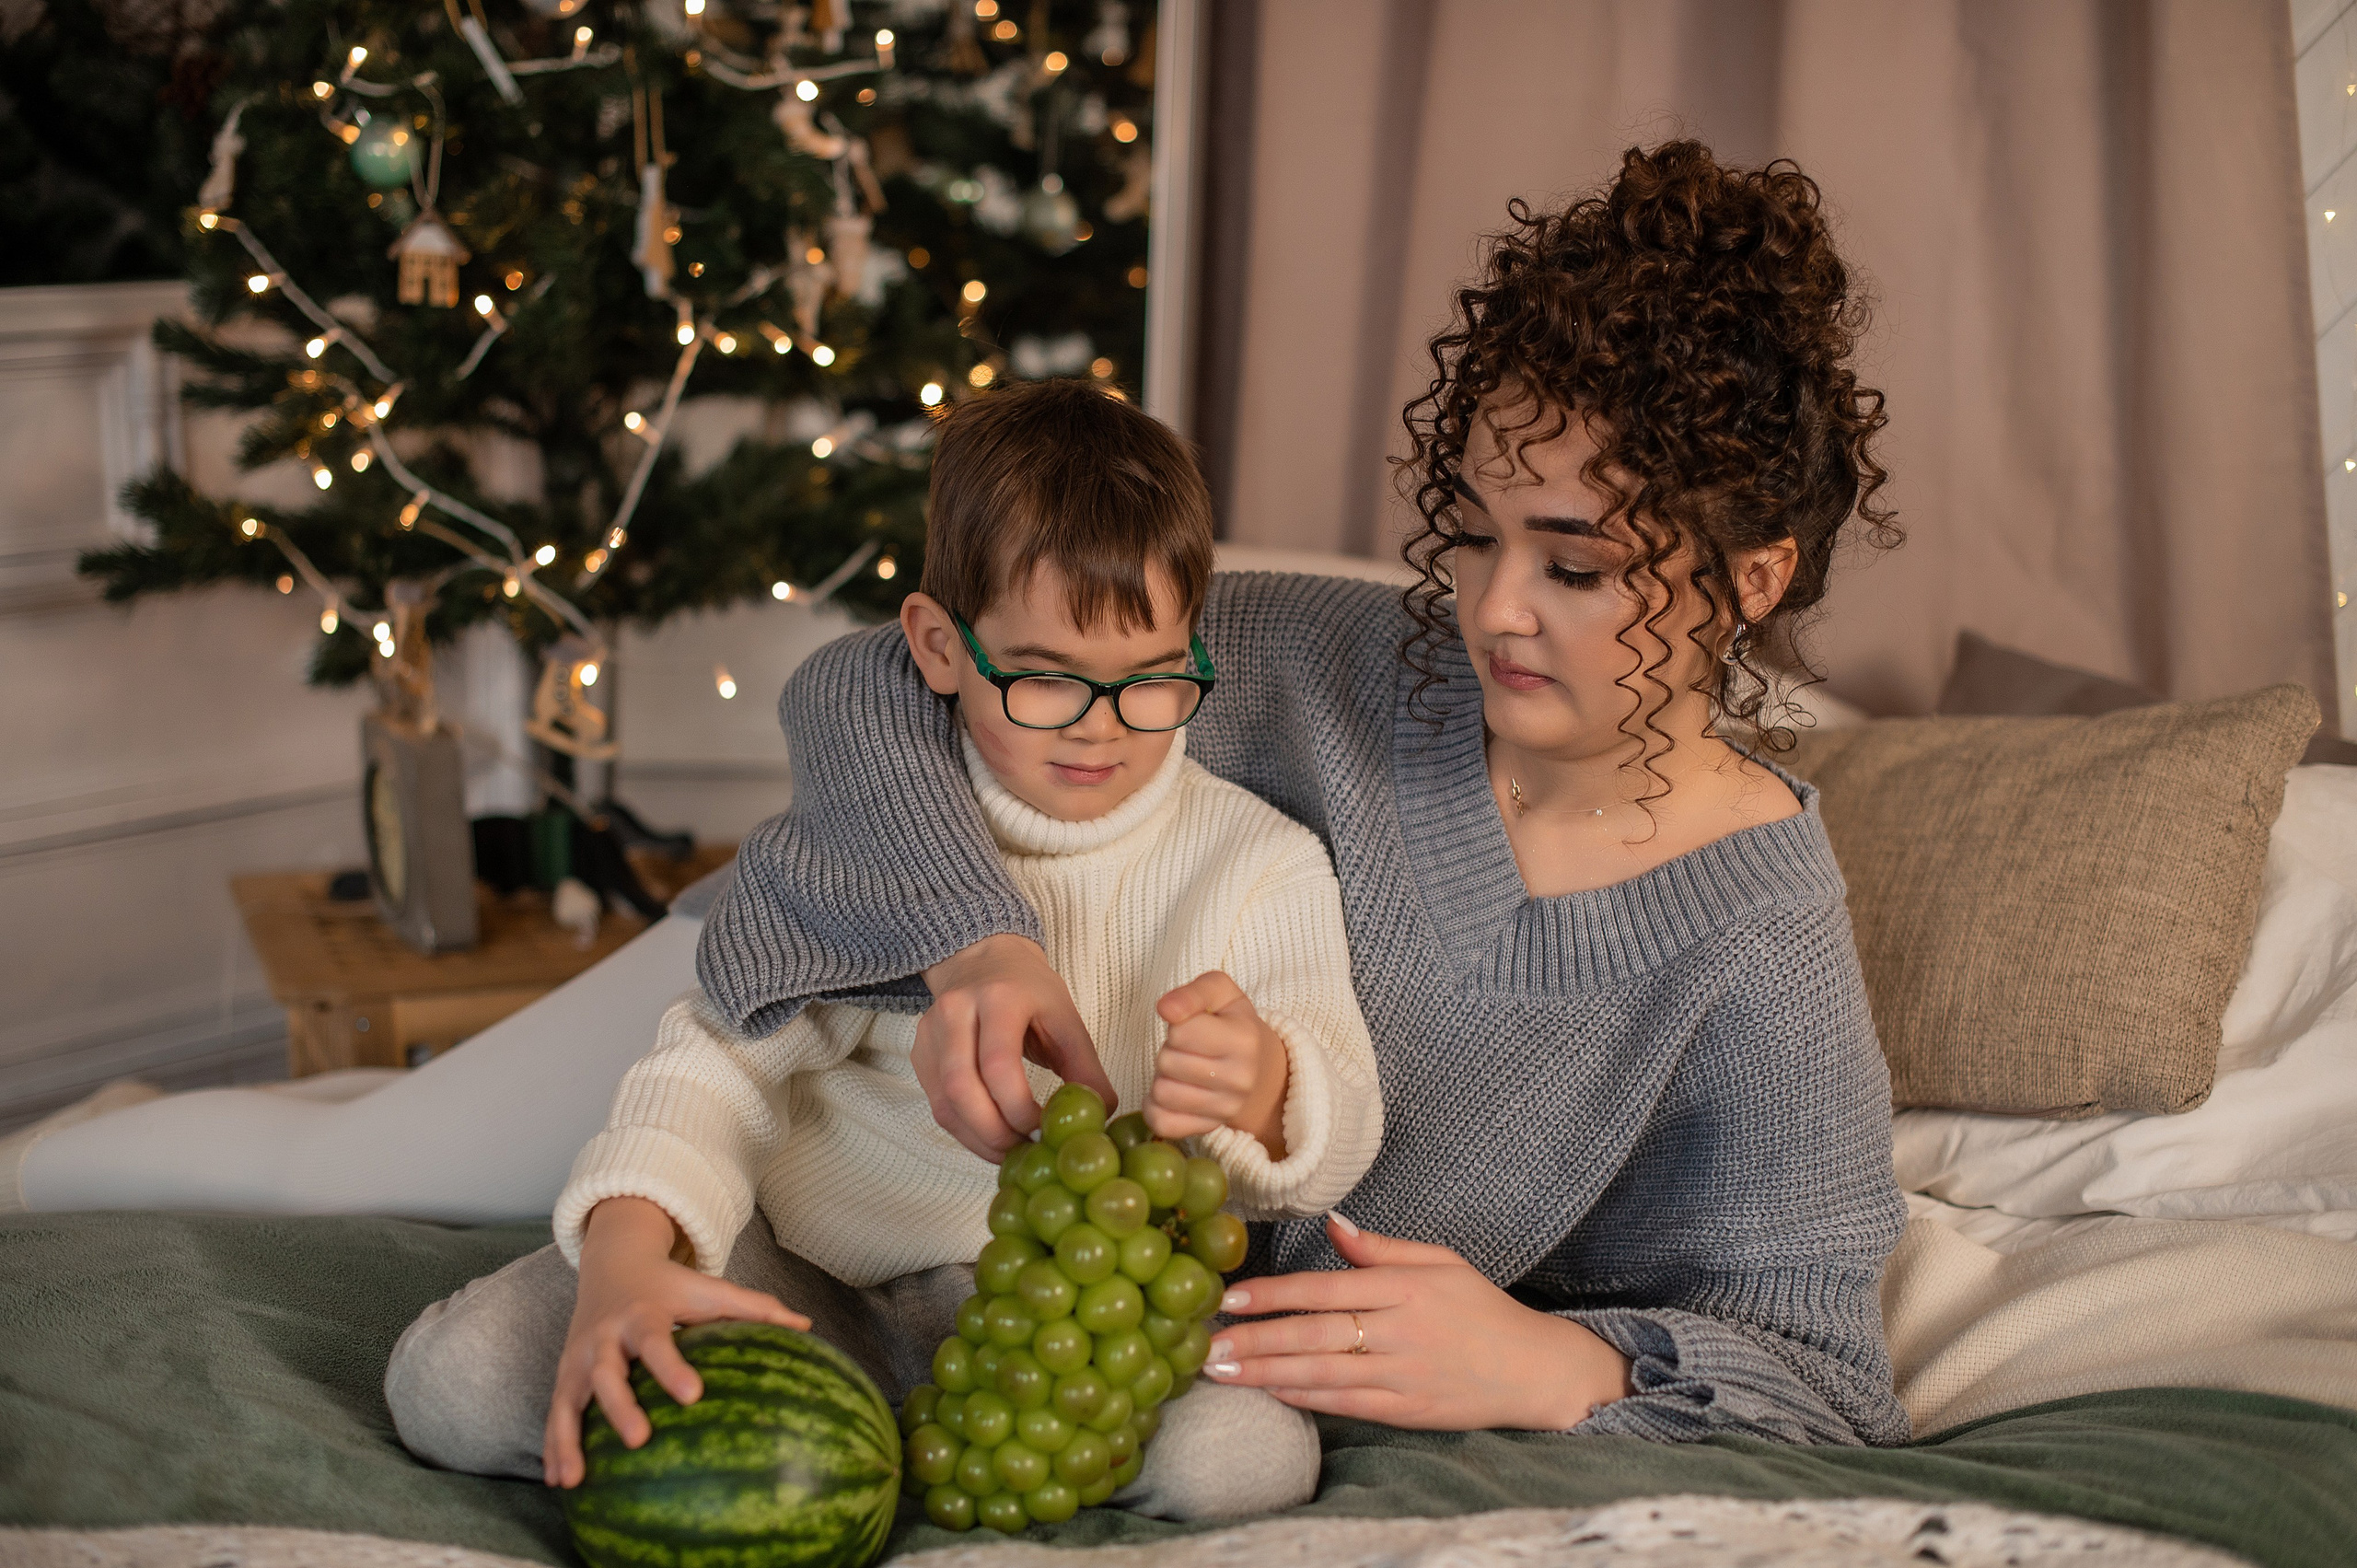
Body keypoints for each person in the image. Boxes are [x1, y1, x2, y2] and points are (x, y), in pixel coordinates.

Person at [691, 140, 1913, 1444]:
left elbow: (1823, 1380)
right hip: (942, 1252)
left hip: (1191, 1421)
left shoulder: (1761, 933)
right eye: (1481, 533)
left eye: (1575, 567)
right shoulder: (1349, 665)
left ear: (1753, 579)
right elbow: (872, 682)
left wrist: (1555, 1365)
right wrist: (969, 938)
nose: (1490, 608)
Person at [379, 378, 1383, 1521]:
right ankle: (870, 1443)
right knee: (453, 1385)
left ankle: (889, 1458)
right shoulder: (872, 830)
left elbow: (1341, 1102)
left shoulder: (1262, 861)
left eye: (1150, 679)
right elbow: (712, 1066)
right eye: (1047, 677)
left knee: (1247, 1465)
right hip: (806, 1282)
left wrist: (1269, 1092)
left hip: (1072, 1325)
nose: (1102, 724)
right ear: (939, 647)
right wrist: (625, 1249)